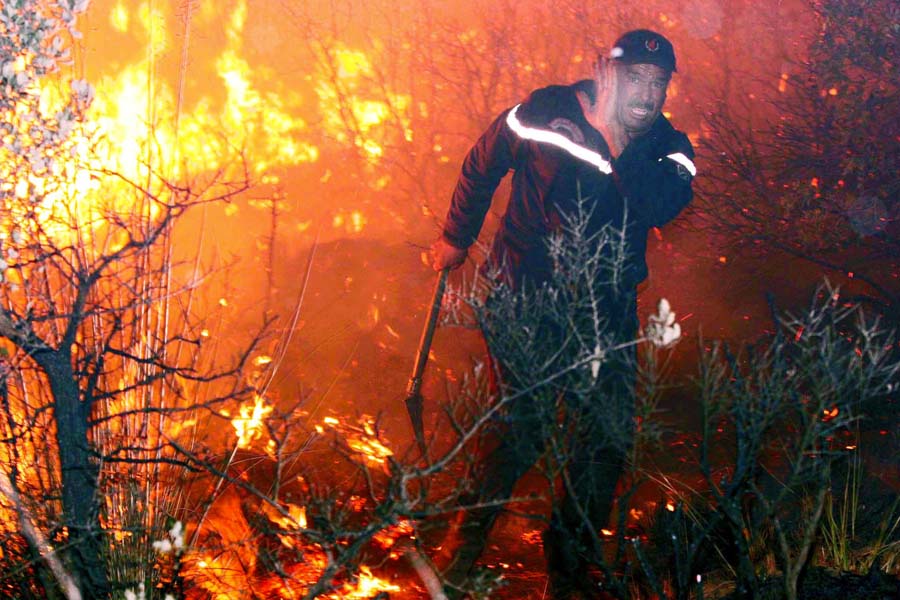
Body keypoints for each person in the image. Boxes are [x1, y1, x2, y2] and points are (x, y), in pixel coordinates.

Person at [430, 29, 696, 599]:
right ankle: (457, 562)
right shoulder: (545, 111)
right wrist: (456, 235)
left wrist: (609, 137)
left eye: (658, 83)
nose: (648, 94)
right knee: (520, 430)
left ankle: (569, 570)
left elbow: (657, 204)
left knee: (605, 437)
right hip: (523, 296)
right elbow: (483, 163)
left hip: (605, 312)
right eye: (636, 79)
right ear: (608, 73)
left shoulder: (670, 150)